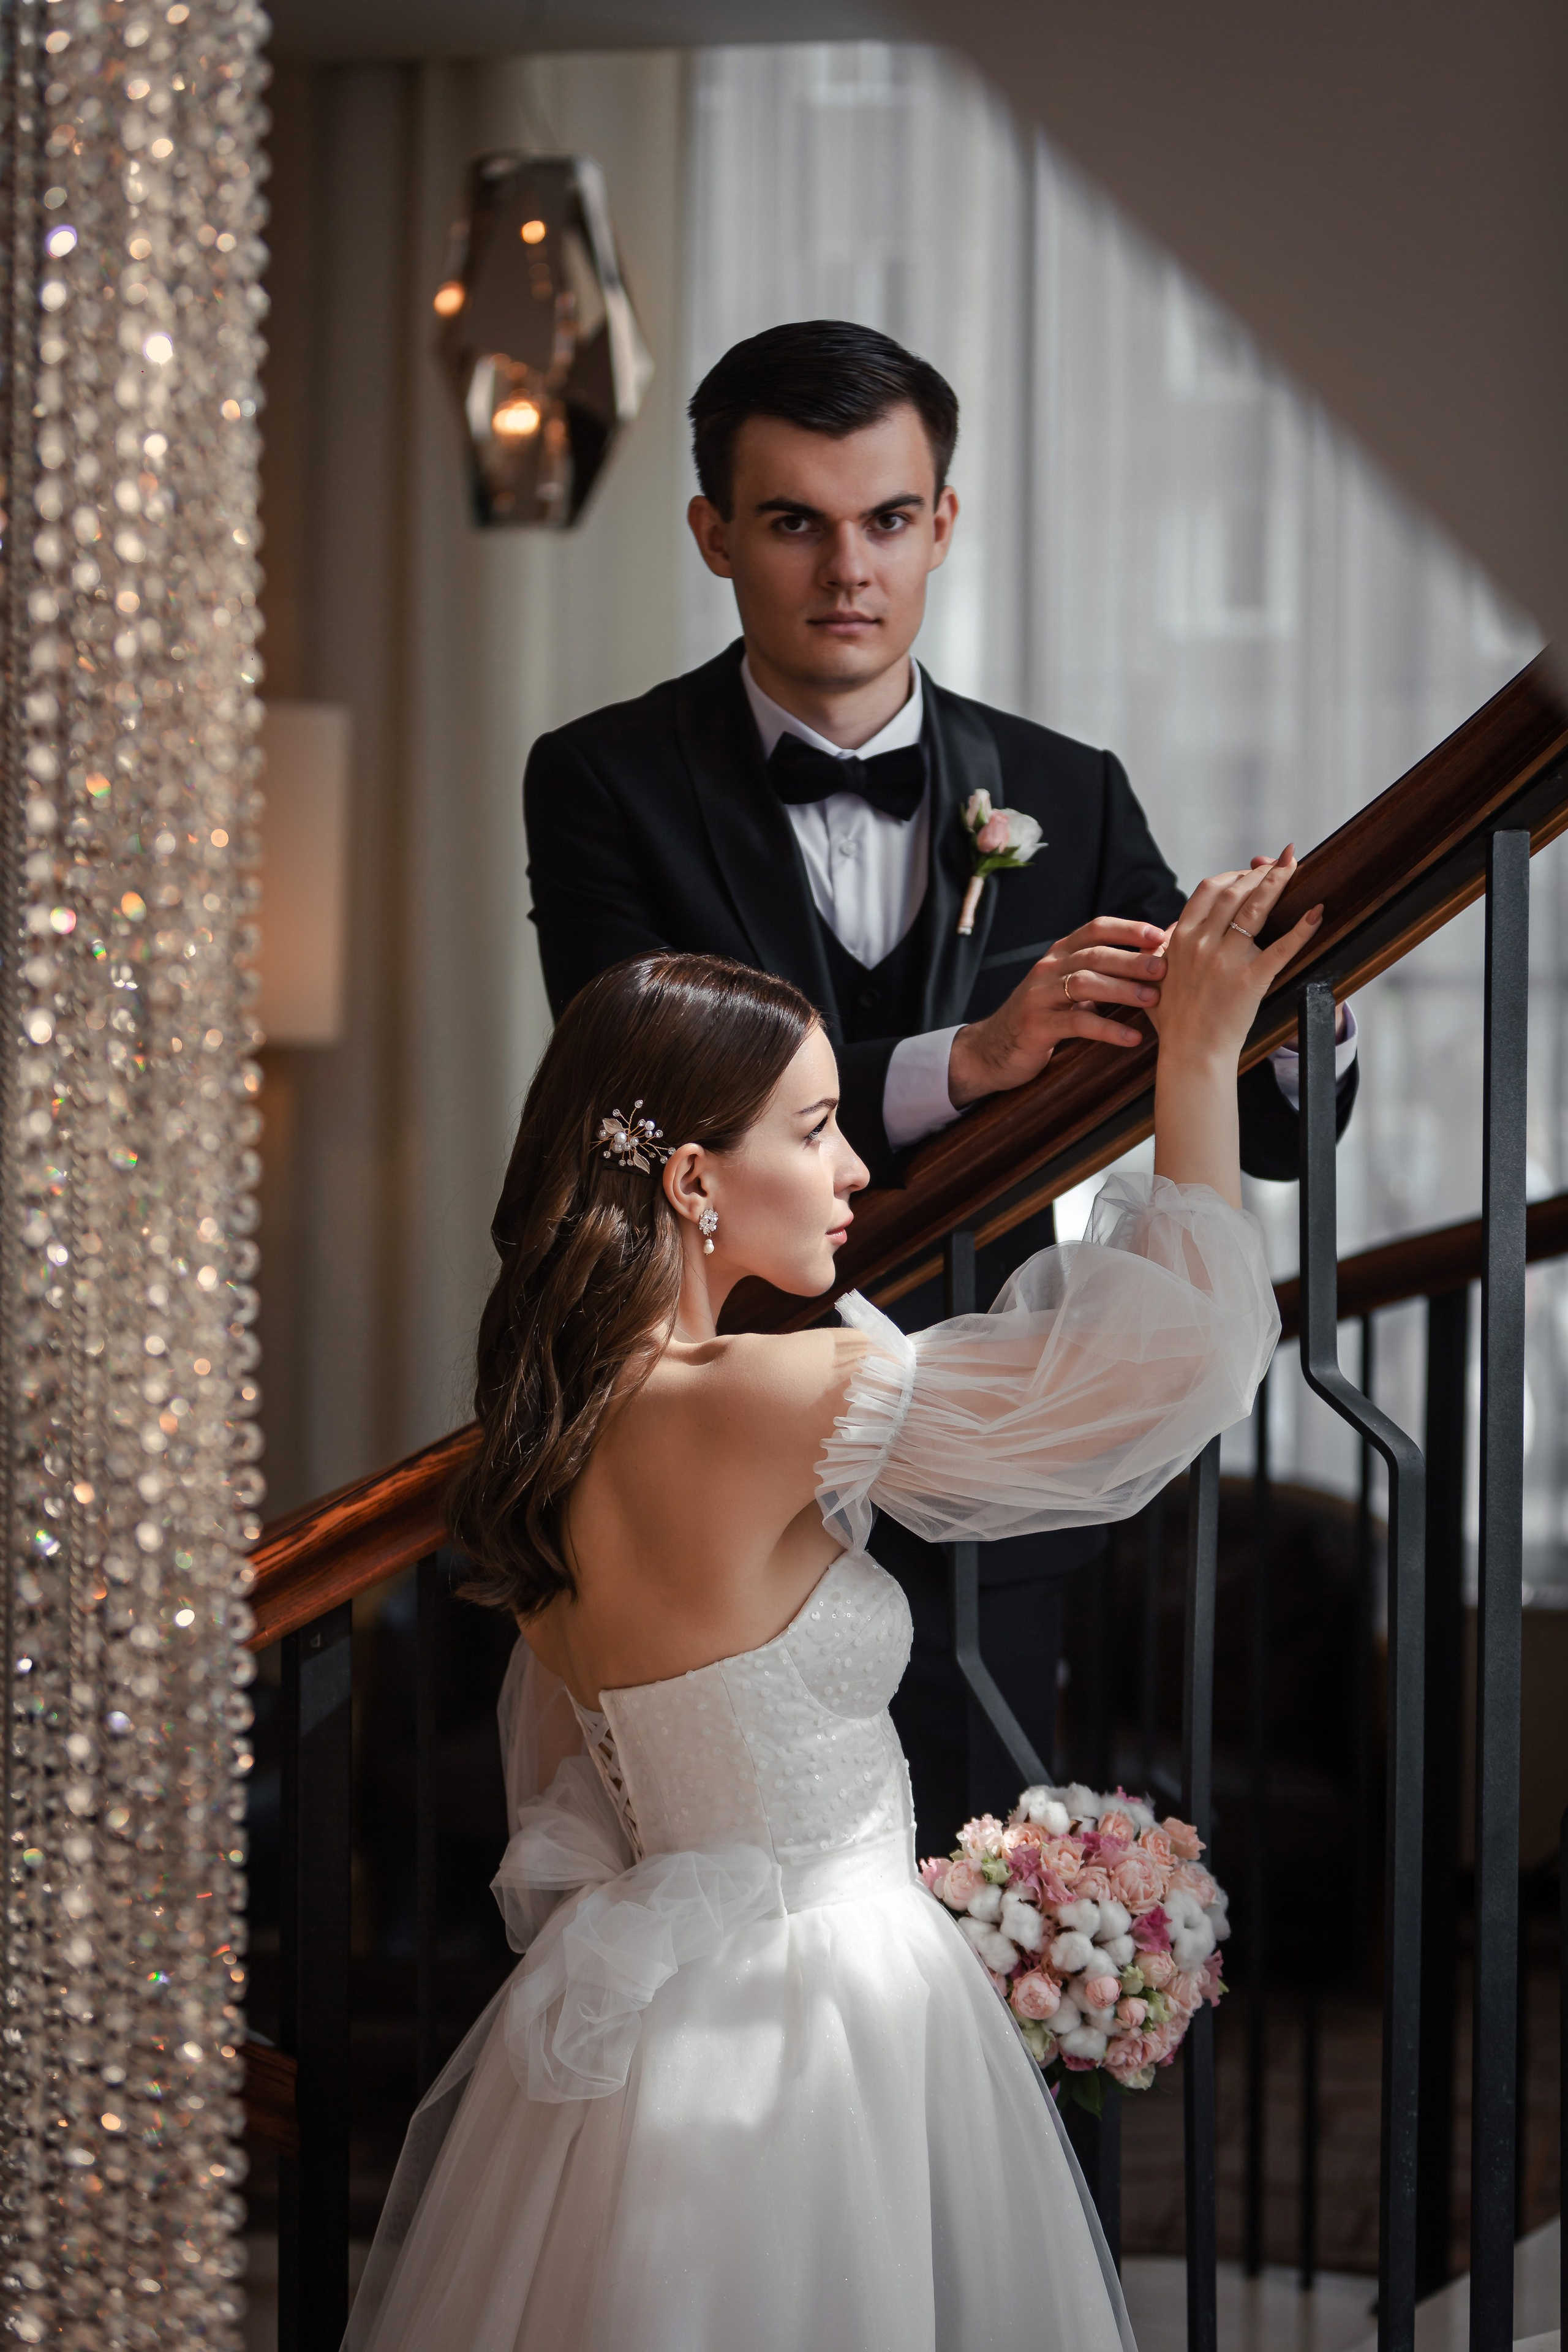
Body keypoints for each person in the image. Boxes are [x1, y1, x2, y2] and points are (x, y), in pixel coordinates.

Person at [342, 852, 1316, 2352]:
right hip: (825, 2018)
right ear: (689, 1180)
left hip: (658, 2033)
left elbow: (576, 1804)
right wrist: (1191, 1054)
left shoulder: (547, 1440)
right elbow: (1165, 1363)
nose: (856, 1167)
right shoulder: (764, 1396)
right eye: (813, 1128)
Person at [523, 320, 1358, 1851]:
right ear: (713, 534)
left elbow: (1264, 1106)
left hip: (990, 1451)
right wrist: (959, 1065)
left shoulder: (1066, 787)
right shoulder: (598, 780)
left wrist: (1292, 1015)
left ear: (942, 526)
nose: (849, 569)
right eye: (793, 522)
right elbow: (628, 1107)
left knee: (988, 1957)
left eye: (887, 520)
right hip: (718, 1459)